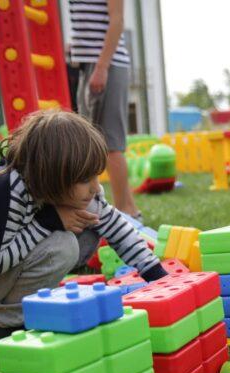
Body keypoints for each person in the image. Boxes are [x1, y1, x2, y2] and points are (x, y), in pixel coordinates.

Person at [0, 110, 167, 346]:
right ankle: (3, 325)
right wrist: (47, 222)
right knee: (62, 246)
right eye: (86, 180)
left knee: (91, 221)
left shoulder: (64, 186)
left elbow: (116, 226)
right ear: (52, 174)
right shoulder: (3, 197)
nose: (95, 187)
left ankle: (12, 303)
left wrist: (158, 277)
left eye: (96, 176)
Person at [69, 0, 140, 220]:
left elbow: (117, 21)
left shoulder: (103, 66)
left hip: (105, 65)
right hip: (88, 65)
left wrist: (102, 67)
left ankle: (127, 212)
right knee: (91, 142)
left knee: (109, 144)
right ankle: (117, 210)